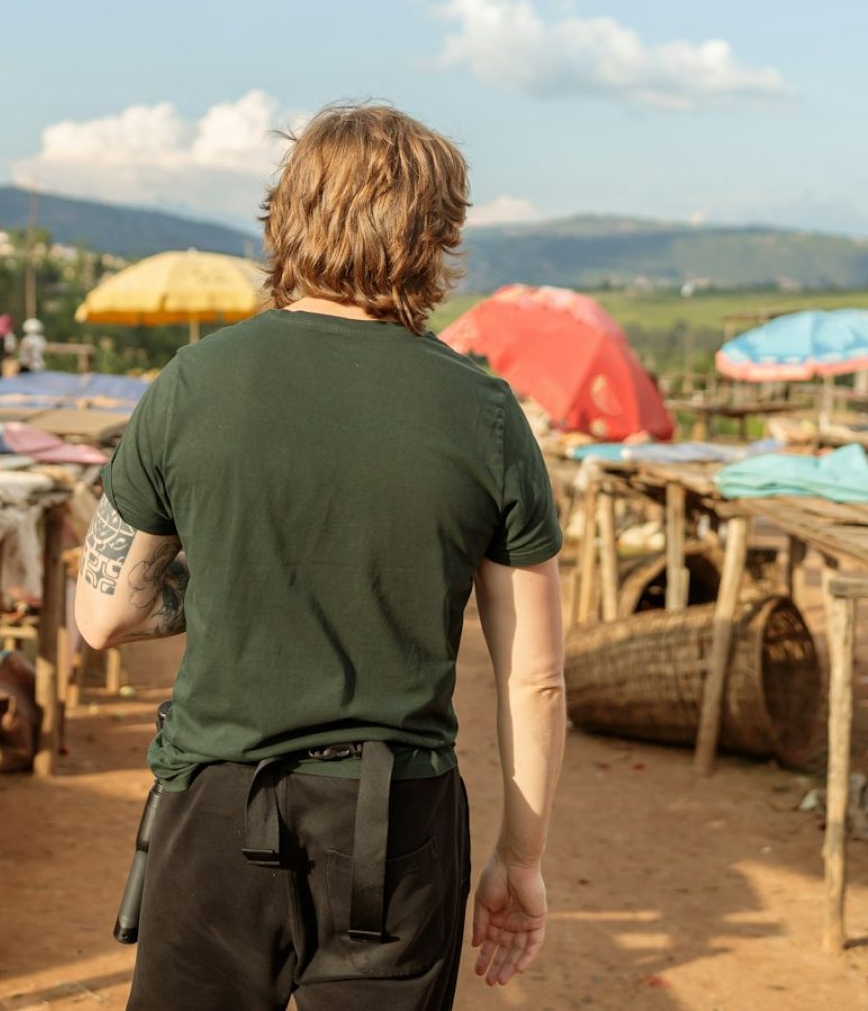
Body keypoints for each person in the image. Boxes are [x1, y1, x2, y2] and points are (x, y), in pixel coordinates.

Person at [75, 104, 566, 1010]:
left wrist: (216, 583)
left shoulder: (192, 384)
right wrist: (520, 860)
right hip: (397, 821)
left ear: (286, 216)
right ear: (436, 237)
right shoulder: (488, 413)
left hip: (216, 807)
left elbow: (103, 615)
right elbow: (533, 679)